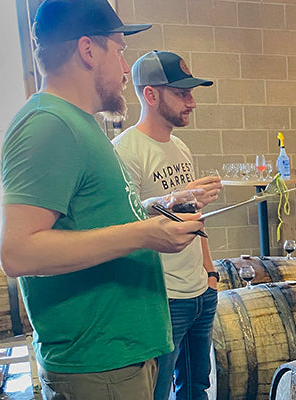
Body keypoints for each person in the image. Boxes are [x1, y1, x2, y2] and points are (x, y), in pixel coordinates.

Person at [0, 1, 206, 399]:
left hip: (120, 357)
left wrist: (156, 208)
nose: (126, 68)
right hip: (98, 364)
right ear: (88, 50)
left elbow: (87, 220)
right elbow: (19, 252)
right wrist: (145, 234)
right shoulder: (48, 125)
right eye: (120, 49)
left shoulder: (78, 122)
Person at [112, 50, 222, 400]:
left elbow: (195, 218)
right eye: (182, 93)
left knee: (196, 389)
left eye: (191, 93)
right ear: (151, 95)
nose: (192, 102)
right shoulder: (124, 151)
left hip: (199, 293)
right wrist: (167, 200)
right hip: (162, 300)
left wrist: (210, 275)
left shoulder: (181, 147)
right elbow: (122, 224)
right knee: (158, 392)